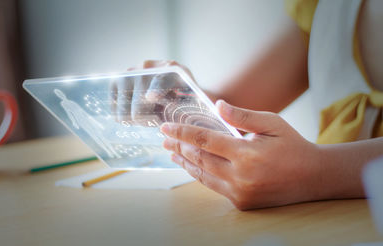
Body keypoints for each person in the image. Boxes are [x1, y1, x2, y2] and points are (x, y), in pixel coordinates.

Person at [116, 0, 383, 210]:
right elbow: (233, 108)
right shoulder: (324, 5)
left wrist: (316, 173)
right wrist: (182, 96)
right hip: (327, 223)